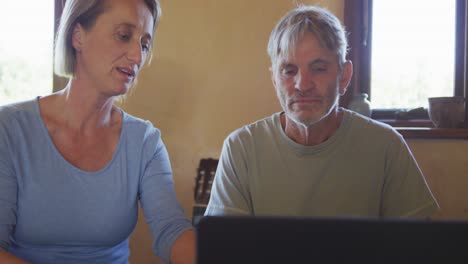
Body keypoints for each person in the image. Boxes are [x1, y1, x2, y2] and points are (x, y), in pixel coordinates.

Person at [0, 0, 195, 263]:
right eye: (124, 36)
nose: (137, 57)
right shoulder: (9, 130)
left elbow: (172, 231)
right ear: (78, 36)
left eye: (144, 44)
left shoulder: (145, 142)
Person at [205, 5, 438, 218]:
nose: (302, 84)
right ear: (274, 79)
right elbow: (225, 250)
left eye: (318, 68)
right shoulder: (241, 149)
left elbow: (420, 247)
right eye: (288, 70)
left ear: (344, 75)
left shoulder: (387, 147)